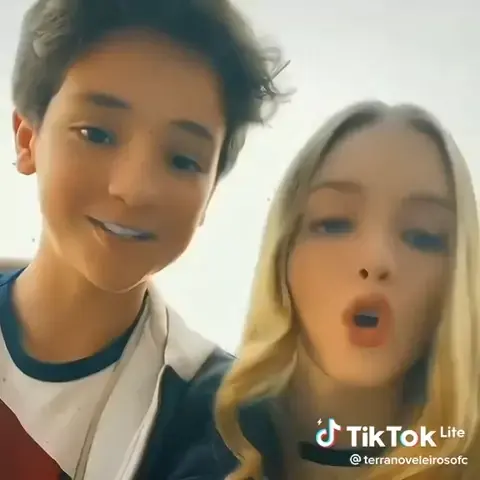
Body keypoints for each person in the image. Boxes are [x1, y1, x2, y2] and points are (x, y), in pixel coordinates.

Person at [0, 0, 286, 478]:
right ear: (28, 138)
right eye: (96, 134)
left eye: (182, 160)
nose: (134, 189)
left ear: (210, 194)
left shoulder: (222, 423)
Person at [212, 101, 480, 479]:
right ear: (283, 253)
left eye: (423, 236)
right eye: (334, 223)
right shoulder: (181, 427)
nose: (376, 259)